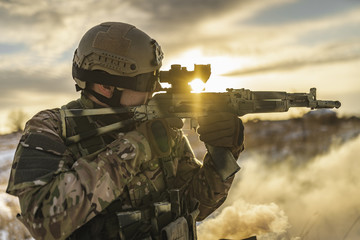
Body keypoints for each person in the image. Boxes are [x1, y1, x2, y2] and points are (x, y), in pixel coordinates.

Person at [6, 22, 244, 240]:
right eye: (145, 83)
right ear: (106, 85)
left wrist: (223, 154)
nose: (153, 92)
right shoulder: (52, 129)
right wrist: (136, 146)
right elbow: (44, 222)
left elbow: (197, 205)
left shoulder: (154, 123)